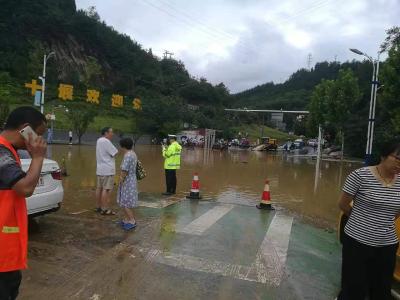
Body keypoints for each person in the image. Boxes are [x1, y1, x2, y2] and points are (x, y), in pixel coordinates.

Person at [338, 140, 400, 300]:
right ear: (384, 155)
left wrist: (381, 222)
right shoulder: (360, 176)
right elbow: (343, 204)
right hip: (357, 242)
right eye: (398, 158)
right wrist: (362, 220)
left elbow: (396, 213)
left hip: (387, 245)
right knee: (353, 288)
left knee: (381, 289)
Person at [0, 107, 47, 300]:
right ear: (26, 129)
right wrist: (38, 157)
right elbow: (25, 188)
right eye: (39, 134)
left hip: (7, 254)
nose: (41, 140)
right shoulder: (1, 152)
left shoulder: (10, 151)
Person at [95, 127, 118, 215]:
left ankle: (98, 207)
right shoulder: (106, 141)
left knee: (99, 188)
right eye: (111, 132)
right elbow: (115, 152)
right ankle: (105, 209)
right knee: (106, 189)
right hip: (108, 169)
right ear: (106, 133)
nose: (112, 134)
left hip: (100, 169)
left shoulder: (99, 140)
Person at [117, 138, 138, 231]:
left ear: (123, 146)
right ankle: (126, 219)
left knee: (125, 202)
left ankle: (132, 220)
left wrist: (121, 179)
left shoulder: (127, 155)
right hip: (132, 179)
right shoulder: (133, 153)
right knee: (126, 200)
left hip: (127, 181)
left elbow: (124, 170)